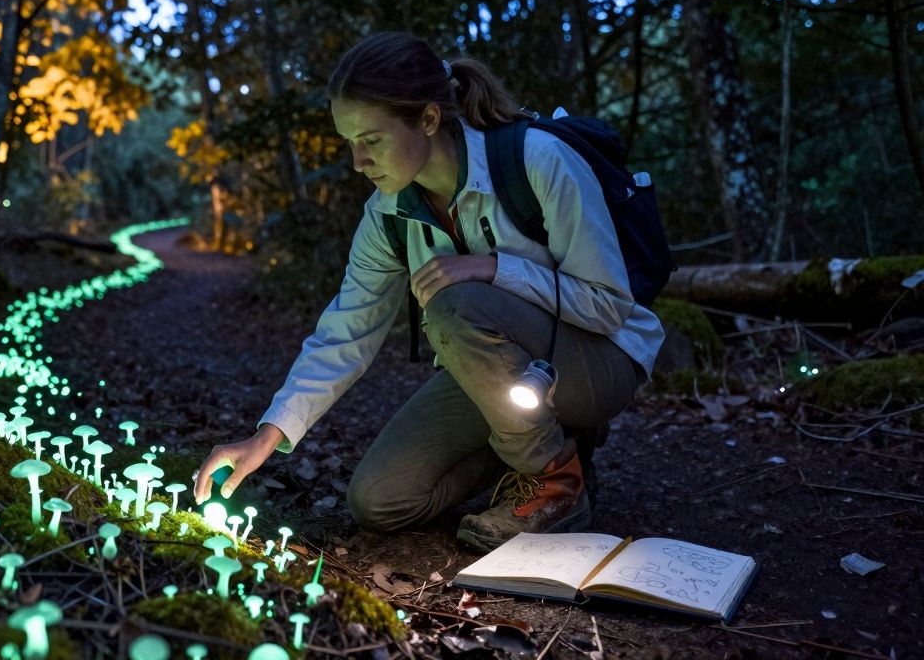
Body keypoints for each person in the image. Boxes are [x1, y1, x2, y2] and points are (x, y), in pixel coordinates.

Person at [193, 32, 664, 551]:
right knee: (379, 500)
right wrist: (269, 435)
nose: (358, 162)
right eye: (349, 142)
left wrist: (493, 268)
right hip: (501, 377)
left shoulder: (539, 161)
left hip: (600, 363)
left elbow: (609, 304)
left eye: (371, 140)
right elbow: (347, 330)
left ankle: (557, 483)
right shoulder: (388, 215)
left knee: (454, 305)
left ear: (429, 119)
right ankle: (554, 444)